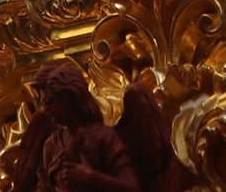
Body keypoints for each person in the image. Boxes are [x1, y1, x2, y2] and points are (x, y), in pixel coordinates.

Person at [10, 62, 179, 192]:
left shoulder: (103, 137)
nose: (45, 109)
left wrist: (87, 176)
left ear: (68, 98)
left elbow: (132, 186)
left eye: (49, 102)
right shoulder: (51, 145)